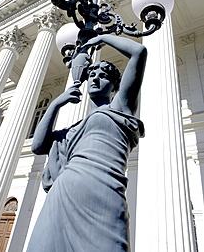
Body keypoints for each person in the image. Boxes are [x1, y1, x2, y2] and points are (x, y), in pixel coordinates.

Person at [27, 34, 147, 252]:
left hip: (104, 196)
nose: (96, 78)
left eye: (104, 75)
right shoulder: (72, 129)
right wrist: (55, 104)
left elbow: (139, 52)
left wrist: (101, 37)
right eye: (92, 74)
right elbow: (38, 146)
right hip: (61, 198)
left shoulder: (119, 109)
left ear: (114, 87)